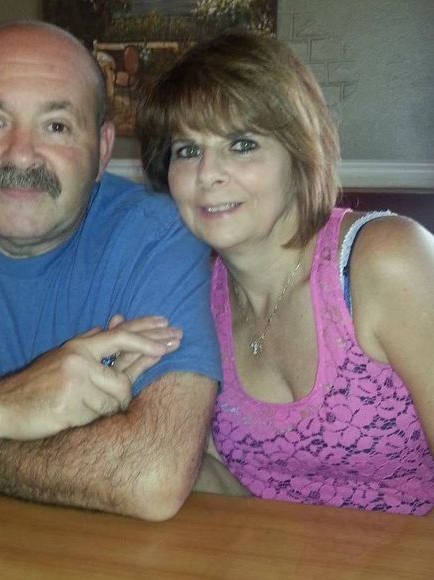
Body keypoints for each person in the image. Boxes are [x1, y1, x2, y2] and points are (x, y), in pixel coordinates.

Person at [0, 21, 222, 521]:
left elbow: (149, 476)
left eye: (56, 126)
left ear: (103, 150)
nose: (21, 154)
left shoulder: (157, 237)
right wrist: (4, 407)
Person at [136, 31, 434, 514]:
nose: (207, 174)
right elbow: (227, 489)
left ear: (298, 156)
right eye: (187, 150)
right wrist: (130, 407)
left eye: (242, 144)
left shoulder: (384, 260)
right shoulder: (193, 299)